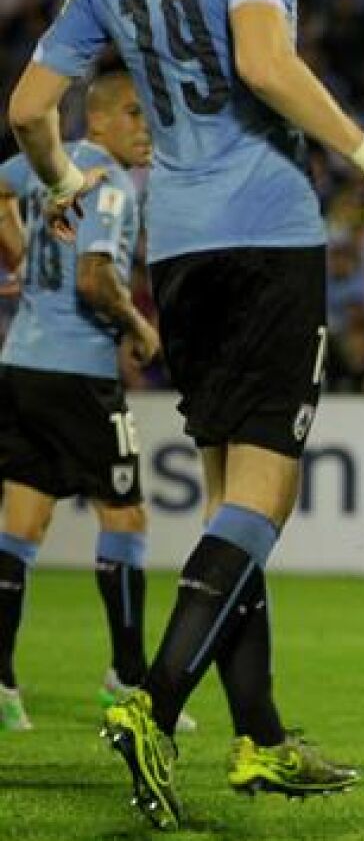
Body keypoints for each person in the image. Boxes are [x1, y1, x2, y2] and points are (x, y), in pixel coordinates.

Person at [4, 0, 364, 827]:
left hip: (182, 245)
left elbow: (27, 108)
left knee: (223, 504)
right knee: (264, 497)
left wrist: (64, 184)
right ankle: (152, 703)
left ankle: (259, 737)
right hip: (268, 228)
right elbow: (264, 59)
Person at [0, 71, 195, 735]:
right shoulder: (106, 183)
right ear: (101, 120)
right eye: (137, 115)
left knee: (21, 525)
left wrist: (21, 261)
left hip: (20, 365)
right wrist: (140, 327)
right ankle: (128, 676)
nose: (148, 129)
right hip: (78, 371)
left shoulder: (40, 166)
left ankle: (1, 683)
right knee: (127, 517)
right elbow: (94, 279)